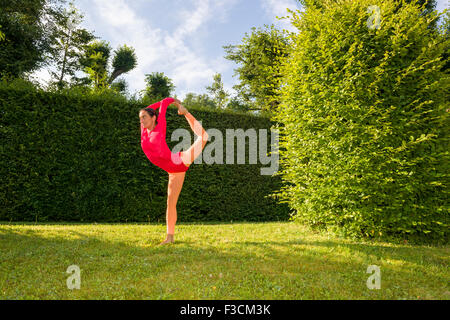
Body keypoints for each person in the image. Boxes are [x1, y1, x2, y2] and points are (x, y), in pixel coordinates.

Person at [139, 97, 209, 245]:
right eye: (140, 118)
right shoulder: (144, 132)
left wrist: (176, 102)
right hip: (173, 170)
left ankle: (186, 113)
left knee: (204, 137)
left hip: (179, 161)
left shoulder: (160, 126)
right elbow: (149, 106)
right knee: (170, 203)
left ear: (154, 117)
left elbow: (164, 102)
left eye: (144, 117)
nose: (142, 120)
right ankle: (169, 237)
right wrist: (150, 108)